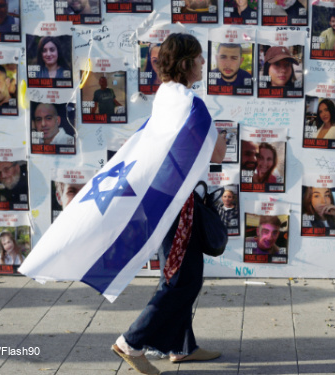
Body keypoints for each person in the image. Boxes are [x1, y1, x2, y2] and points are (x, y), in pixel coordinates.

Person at [111, 33, 225, 375]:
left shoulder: (164, 96)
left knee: (180, 272)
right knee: (182, 280)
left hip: (163, 199)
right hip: (178, 204)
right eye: (200, 58)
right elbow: (217, 154)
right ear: (187, 62)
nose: (205, 63)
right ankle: (131, 341)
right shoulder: (191, 103)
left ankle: (182, 347)